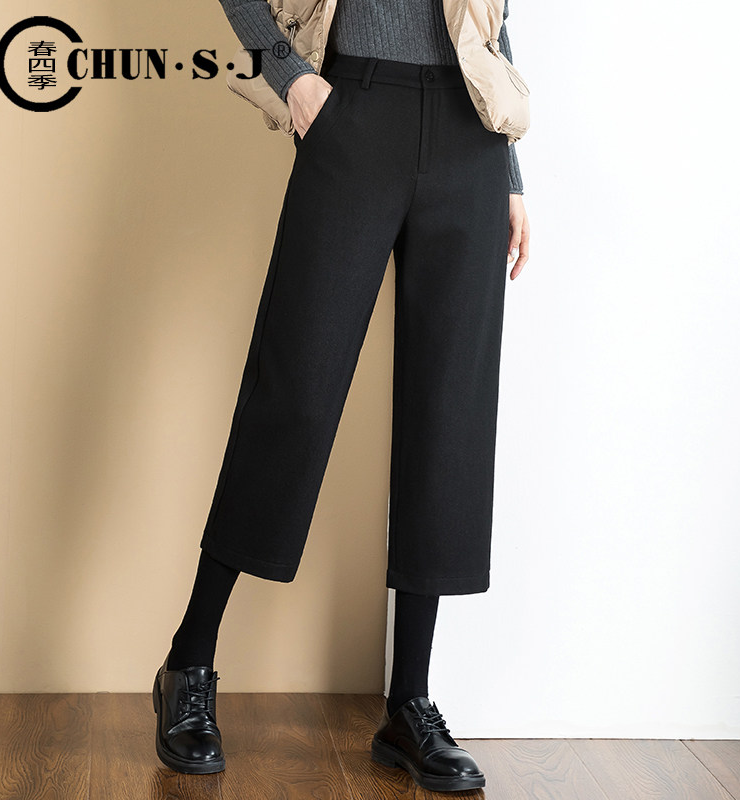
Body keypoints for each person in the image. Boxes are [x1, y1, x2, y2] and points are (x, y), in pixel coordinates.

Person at [153, 0, 531, 791]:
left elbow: (496, 19)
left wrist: (510, 172)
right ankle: (190, 658)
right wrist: (290, 76)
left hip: (470, 136)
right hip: (353, 109)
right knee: (295, 388)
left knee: (450, 415)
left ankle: (409, 703)